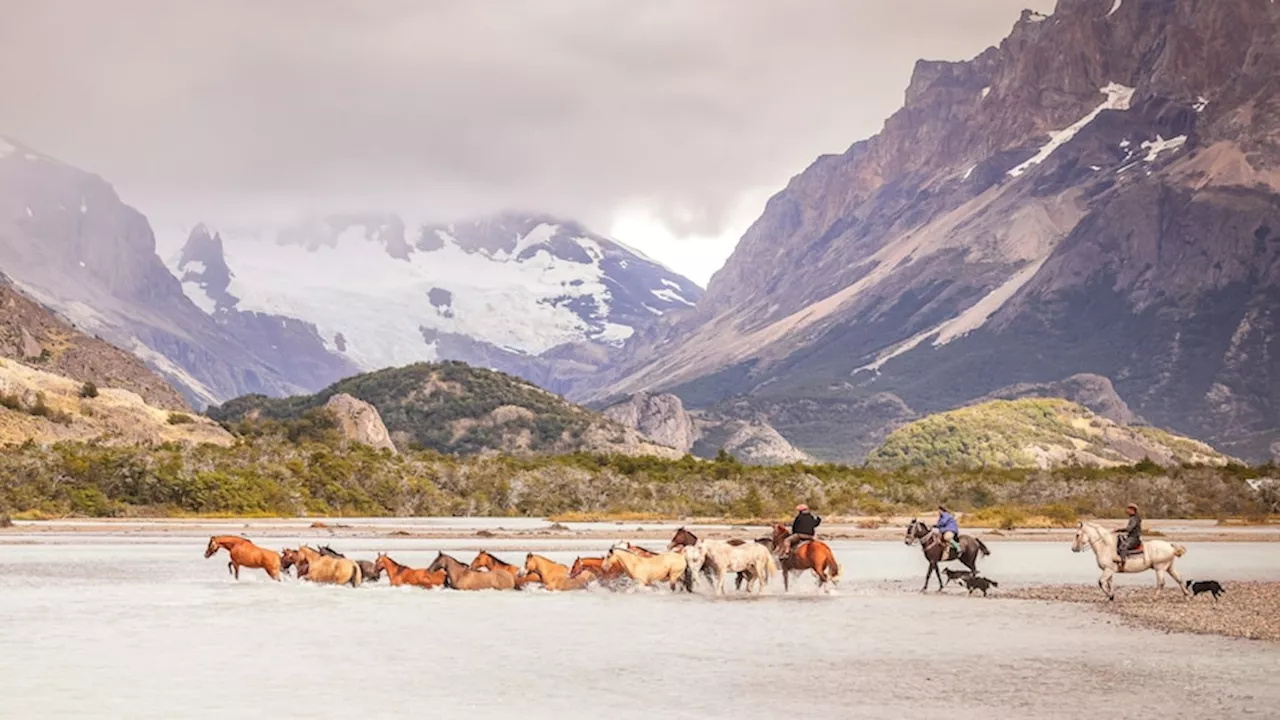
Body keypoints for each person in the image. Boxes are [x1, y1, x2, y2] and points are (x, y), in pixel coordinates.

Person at [1115, 503, 1142, 570]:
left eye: (1128, 509)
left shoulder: (1134, 518)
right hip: (1131, 537)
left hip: (1134, 538)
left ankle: (1122, 563)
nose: (1127, 511)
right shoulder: (1133, 518)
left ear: (1132, 510)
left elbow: (1129, 529)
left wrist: (1118, 529)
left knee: (1122, 546)